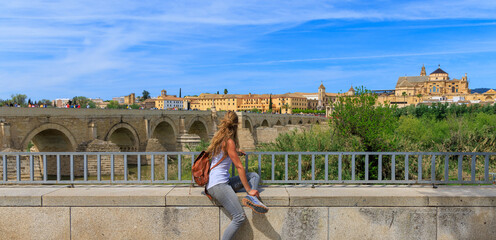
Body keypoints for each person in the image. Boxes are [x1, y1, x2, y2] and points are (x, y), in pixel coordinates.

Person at [205, 111, 268, 240]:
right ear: (236, 125)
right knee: (239, 217)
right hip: (218, 185)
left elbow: (223, 153)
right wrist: (249, 189)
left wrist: (235, 151)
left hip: (222, 182)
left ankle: (252, 199)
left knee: (254, 176)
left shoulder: (219, 137)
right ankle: (251, 195)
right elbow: (239, 167)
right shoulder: (229, 142)